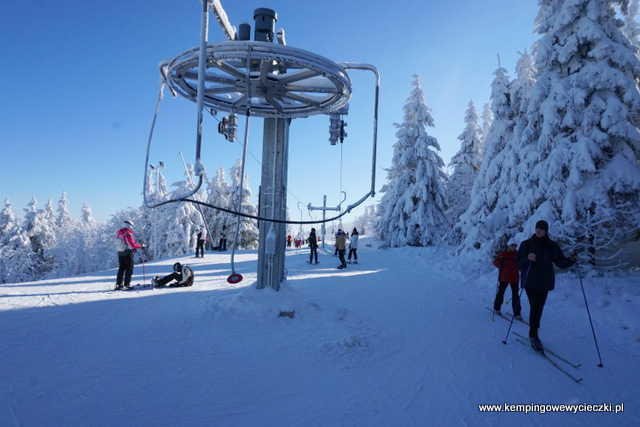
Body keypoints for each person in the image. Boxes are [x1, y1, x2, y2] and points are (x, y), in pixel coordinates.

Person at [516, 220, 577, 353]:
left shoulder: (551, 246)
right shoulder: (526, 244)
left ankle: (534, 330)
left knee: (539, 307)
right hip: (530, 281)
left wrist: (571, 260)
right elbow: (519, 262)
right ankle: (533, 335)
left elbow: (560, 262)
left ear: (546, 231)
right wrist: (528, 259)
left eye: (542, 229)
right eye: (537, 228)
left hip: (545, 281)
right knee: (535, 306)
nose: (539, 231)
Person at [492, 238, 521, 319]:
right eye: (512, 245)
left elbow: (522, 265)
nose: (514, 247)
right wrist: (499, 263)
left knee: (515, 296)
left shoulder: (518, 254)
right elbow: (495, 262)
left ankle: (517, 313)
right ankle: (497, 308)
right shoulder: (503, 254)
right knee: (500, 293)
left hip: (514, 278)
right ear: (509, 245)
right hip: (504, 277)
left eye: (515, 245)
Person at [115, 220, 144, 290]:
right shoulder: (128, 233)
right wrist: (141, 246)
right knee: (129, 268)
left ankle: (119, 284)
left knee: (121, 268)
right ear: (129, 225)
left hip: (120, 253)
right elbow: (132, 245)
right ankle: (127, 284)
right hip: (127, 253)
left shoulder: (120, 233)